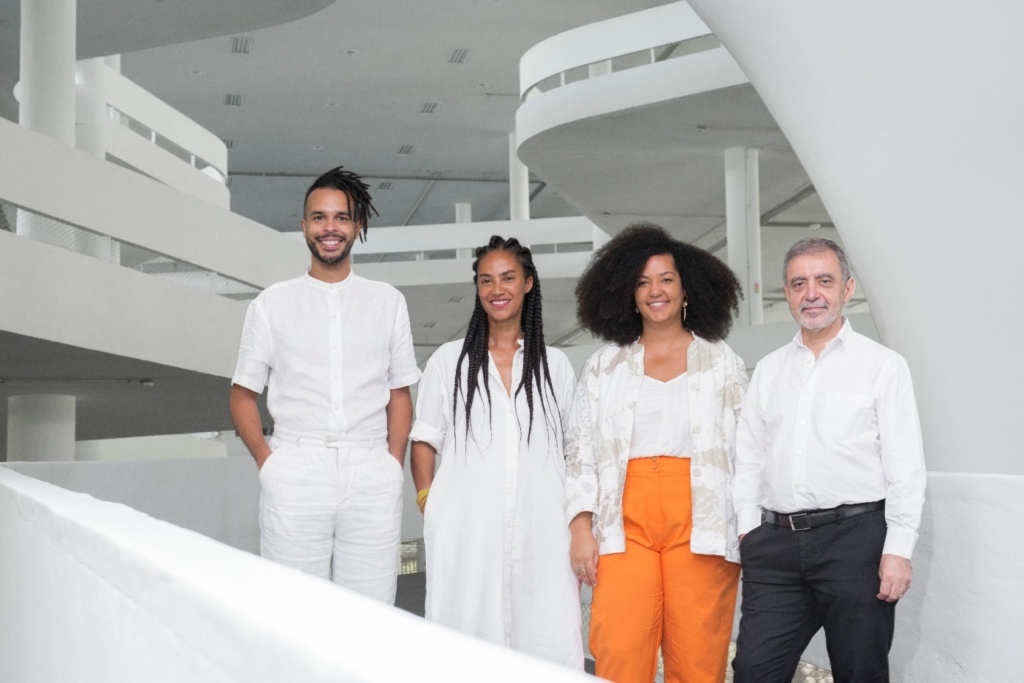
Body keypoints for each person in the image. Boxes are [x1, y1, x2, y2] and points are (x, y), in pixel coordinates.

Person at [731, 237, 926, 683]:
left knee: (860, 672)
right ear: (787, 292)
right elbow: (749, 458)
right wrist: (748, 530)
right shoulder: (768, 370)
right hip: (775, 547)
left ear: (847, 288)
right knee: (754, 671)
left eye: (824, 280)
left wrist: (898, 550)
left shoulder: (883, 366)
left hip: (855, 543)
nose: (811, 293)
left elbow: (905, 466)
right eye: (799, 283)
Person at [228, 166, 419, 604]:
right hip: (296, 466)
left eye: (340, 217)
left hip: (372, 467)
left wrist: (392, 463)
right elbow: (242, 396)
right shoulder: (271, 304)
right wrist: (268, 462)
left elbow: (399, 394)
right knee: (293, 609)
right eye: (319, 217)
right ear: (303, 226)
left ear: (358, 226)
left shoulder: (387, 301)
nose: (329, 228)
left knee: (371, 611)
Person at [566, 223, 747, 683]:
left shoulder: (720, 360)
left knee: (699, 658)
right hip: (624, 525)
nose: (655, 290)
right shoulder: (605, 366)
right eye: (643, 282)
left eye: (666, 278)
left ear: (686, 288)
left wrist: (748, 525)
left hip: (702, 523)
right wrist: (581, 527)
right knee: (619, 651)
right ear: (629, 294)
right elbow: (579, 451)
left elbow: (748, 448)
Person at [409, 236, 583, 669]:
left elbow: (575, 449)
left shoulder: (555, 365)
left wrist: (580, 522)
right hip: (467, 532)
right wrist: (428, 502)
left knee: (546, 639)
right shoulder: (449, 362)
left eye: (507, 277)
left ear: (528, 283)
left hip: (541, 532)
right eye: (486, 280)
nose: (496, 289)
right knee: (464, 642)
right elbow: (424, 439)